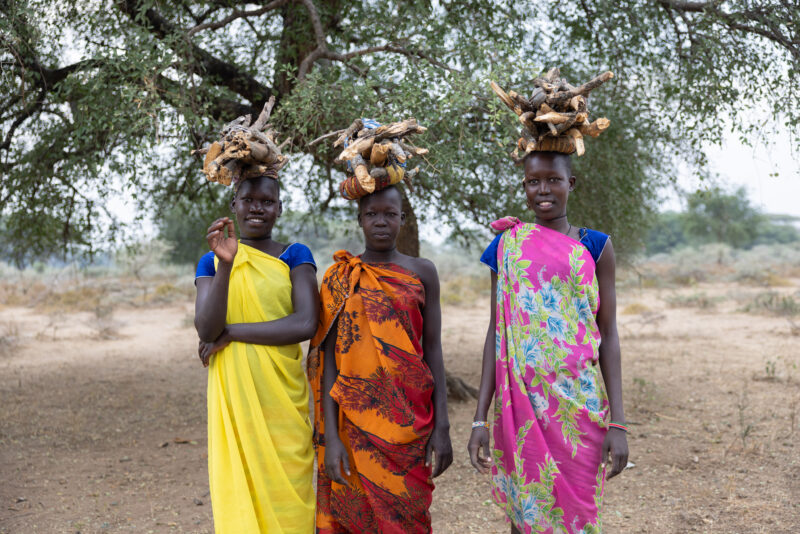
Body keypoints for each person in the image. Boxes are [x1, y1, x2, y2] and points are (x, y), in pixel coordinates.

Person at [467, 151, 629, 533]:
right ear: (524, 186)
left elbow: (608, 335)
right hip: (519, 407)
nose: (543, 190)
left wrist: (619, 423)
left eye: (553, 180)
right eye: (533, 181)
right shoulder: (506, 246)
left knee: (578, 516)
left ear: (570, 184)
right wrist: (479, 417)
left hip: (577, 404)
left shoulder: (597, 246)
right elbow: (498, 332)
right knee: (526, 514)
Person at [308, 184, 453, 533]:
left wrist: (443, 425)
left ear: (402, 219)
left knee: (408, 517)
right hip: (351, 425)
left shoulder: (423, 271)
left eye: (390, 214)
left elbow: (432, 348)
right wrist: (331, 440)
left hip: (410, 421)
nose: (381, 222)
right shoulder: (339, 278)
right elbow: (328, 360)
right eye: (372, 214)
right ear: (359, 220)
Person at [194, 173, 319, 533]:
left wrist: (232, 333)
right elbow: (206, 329)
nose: (257, 208)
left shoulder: (295, 256)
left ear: (279, 208)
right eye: (248, 200)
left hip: (282, 400)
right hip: (234, 400)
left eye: (267, 202)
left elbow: (305, 323)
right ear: (234, 206)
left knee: (290, 501)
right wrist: (228, 264)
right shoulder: (212, 261)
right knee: (240, 496)